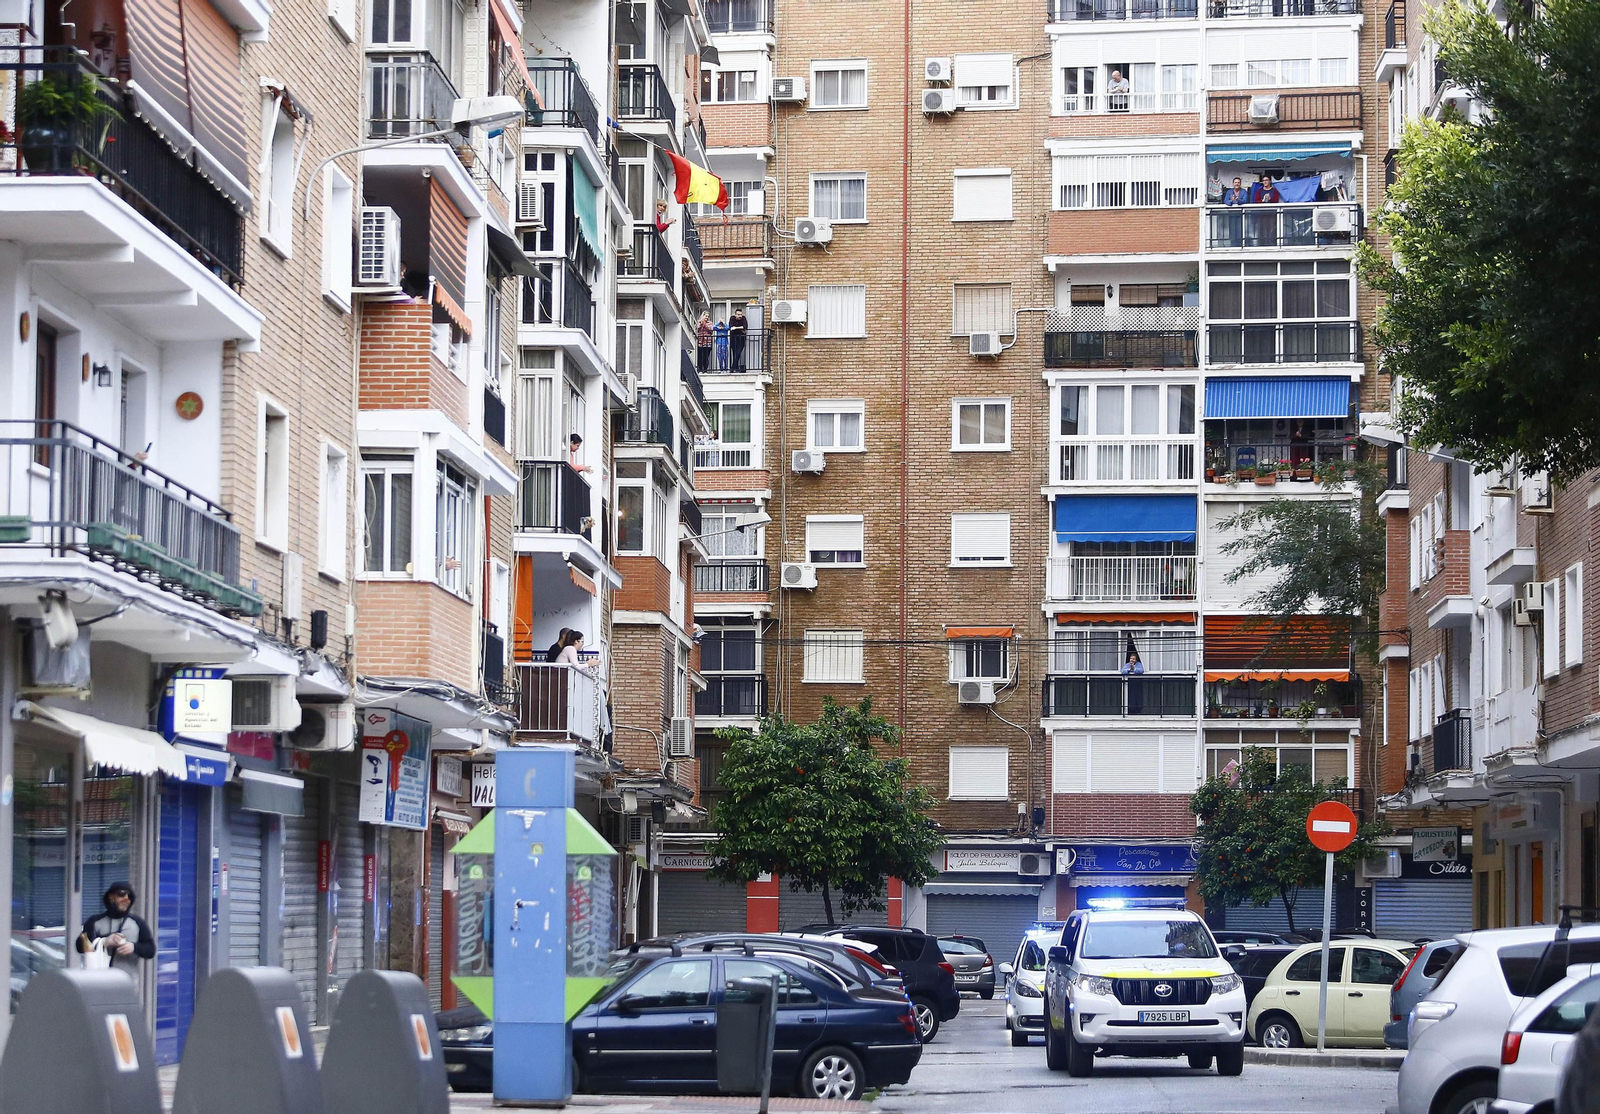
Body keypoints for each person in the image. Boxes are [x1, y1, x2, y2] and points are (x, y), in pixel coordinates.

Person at [76, 882, 155, 970]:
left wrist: (134, 947)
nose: (126, 899)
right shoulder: (95, 921)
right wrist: (104, 942)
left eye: (129, 896)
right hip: (99, 976)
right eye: (121, 894)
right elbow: (79, 946)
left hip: (127, 977)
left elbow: (151, 950)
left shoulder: (137, 922)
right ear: (111, 897)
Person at [1122, 645, 1146, 714]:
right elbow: (1123, 671)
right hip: (1130, 683)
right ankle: (1130, 709)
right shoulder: (1127, 664)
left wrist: (1134, 668)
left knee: (1138, 696)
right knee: (1131, 696)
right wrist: (1129, 669)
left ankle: (1138, 709)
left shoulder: (1139, 664)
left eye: (1133, 659)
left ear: (1136, 660)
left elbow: (1141, 671)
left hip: (1138, 683)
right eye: (1131, 658)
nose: (1132, 660)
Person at [728, 307, 748, 372]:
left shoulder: (743, 318)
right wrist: (740, 328)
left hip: (741, 338)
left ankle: (733, 368)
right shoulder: (732, 318)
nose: (740, 316)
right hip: (733, 338)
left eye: (741, 314)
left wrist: (736, 328)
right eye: (738, 314)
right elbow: (730, 327)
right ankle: (735, 368)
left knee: (738, 353)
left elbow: (745, 327)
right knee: (734, 354)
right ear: (735, 314)